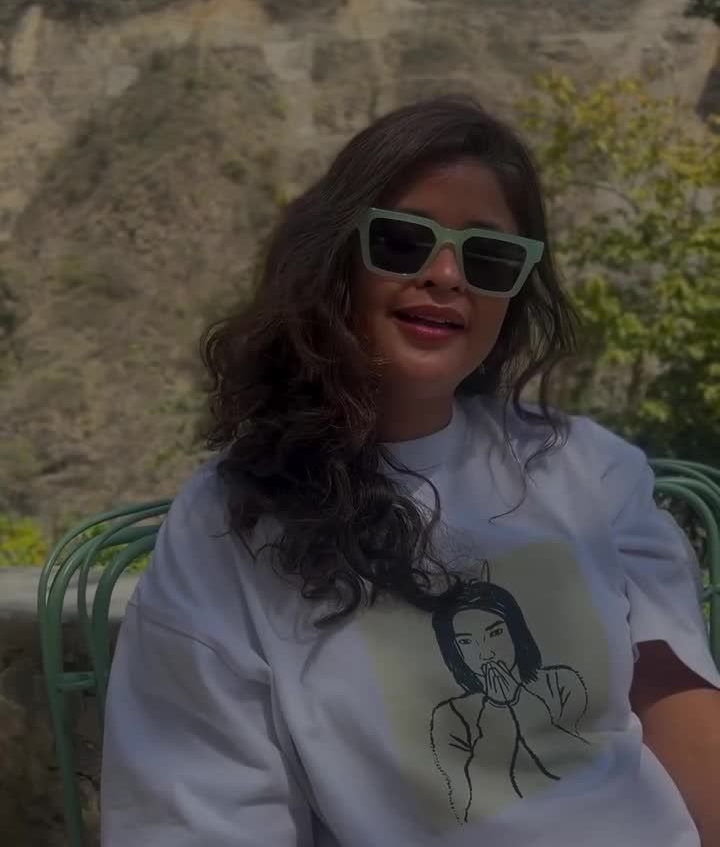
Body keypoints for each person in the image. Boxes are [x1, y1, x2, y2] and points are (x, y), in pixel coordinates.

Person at [101, 95, 720, 846]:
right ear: (336, 260)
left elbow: (677, 708)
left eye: (489, 258)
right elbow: (197, 818)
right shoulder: (229, 528)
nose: (448, 275)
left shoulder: (587, 468)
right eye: (402, 242)